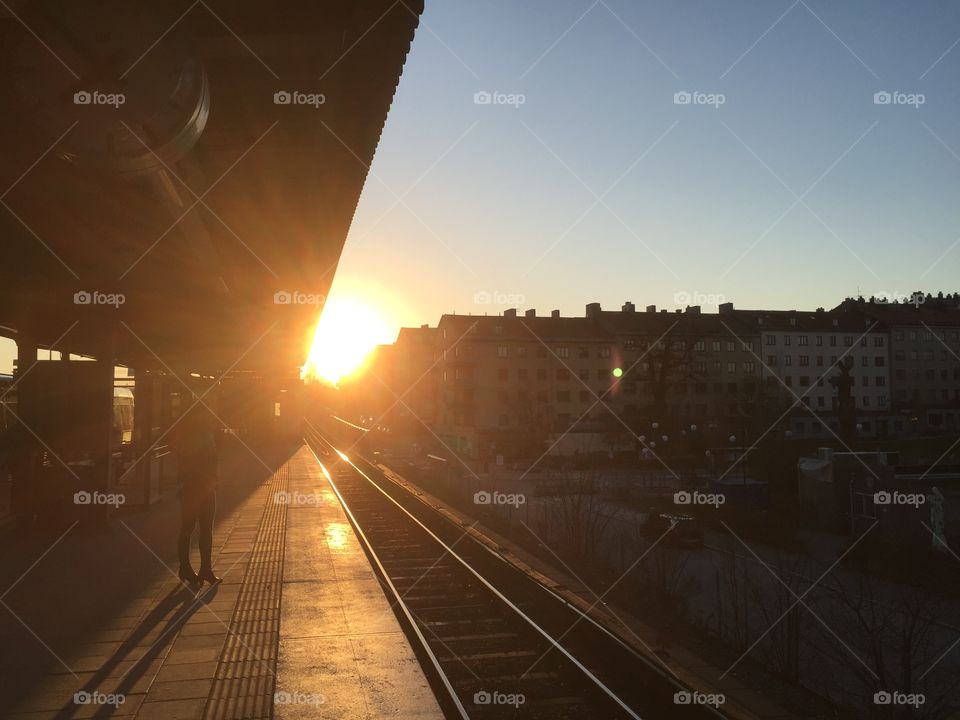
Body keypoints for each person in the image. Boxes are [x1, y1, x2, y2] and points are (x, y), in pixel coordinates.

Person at [174, 400, 221, 586]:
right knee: (188, 529)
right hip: (192, 490)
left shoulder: (208, 434)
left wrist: (213, 479)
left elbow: (213, 460)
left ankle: (205, 569)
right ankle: (185, 568)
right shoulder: (189, 437)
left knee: (206, 531)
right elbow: (187, 465)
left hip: (207, 489)